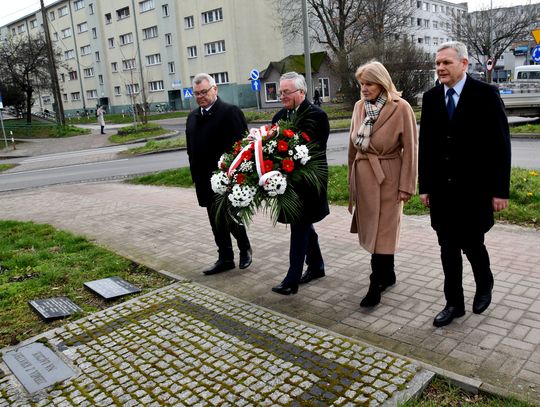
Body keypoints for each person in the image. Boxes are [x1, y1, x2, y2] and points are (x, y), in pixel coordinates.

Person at [419, 41, 511, 327]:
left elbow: (500, 145)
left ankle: (484, 283)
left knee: (472, 244)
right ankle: (453, 303)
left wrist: (500, 191)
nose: (440, 68)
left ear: (464, 64)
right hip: (442, 192)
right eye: (437, 63)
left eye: (446, 62)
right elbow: (427, 145)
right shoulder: (432, 97)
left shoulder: (486, 94)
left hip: (475, 190)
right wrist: (425, 186)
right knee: (447, 248)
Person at [348, 61, 418, 308]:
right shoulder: (359, 107)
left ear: (382, 83)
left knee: (383, 231)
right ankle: (388, 274)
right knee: (373, 230)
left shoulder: (401, 108)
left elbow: (410, 149)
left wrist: (406, 185)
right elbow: (352, 146)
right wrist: (351, 182)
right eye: (361, 84)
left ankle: (375, 284)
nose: (364, 88)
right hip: (364, 174)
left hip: (389, 175)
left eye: (369, 83)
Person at [186, 73, 253, 275]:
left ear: (215, 89)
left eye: (204, 92)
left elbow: (243, 147)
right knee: (215, 220)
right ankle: (225, 257)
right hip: (203, 179)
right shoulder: (192, 117)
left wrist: (239, 176)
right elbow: (191, 148)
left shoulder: (230, 112)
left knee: (230, 216)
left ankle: (245, 249)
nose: (200, 96)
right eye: (196, 93)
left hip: (226, 179)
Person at [270, 72, 330, 295]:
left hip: (309, 184)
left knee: (300, 227)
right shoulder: (279, 117)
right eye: (280, 92)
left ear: (301, 92)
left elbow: (311, 150)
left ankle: (291, 279)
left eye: (286, 92)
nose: (282, 96)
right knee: (303, 227)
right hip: (288, 184)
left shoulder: (317, 116)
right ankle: (316, 266)